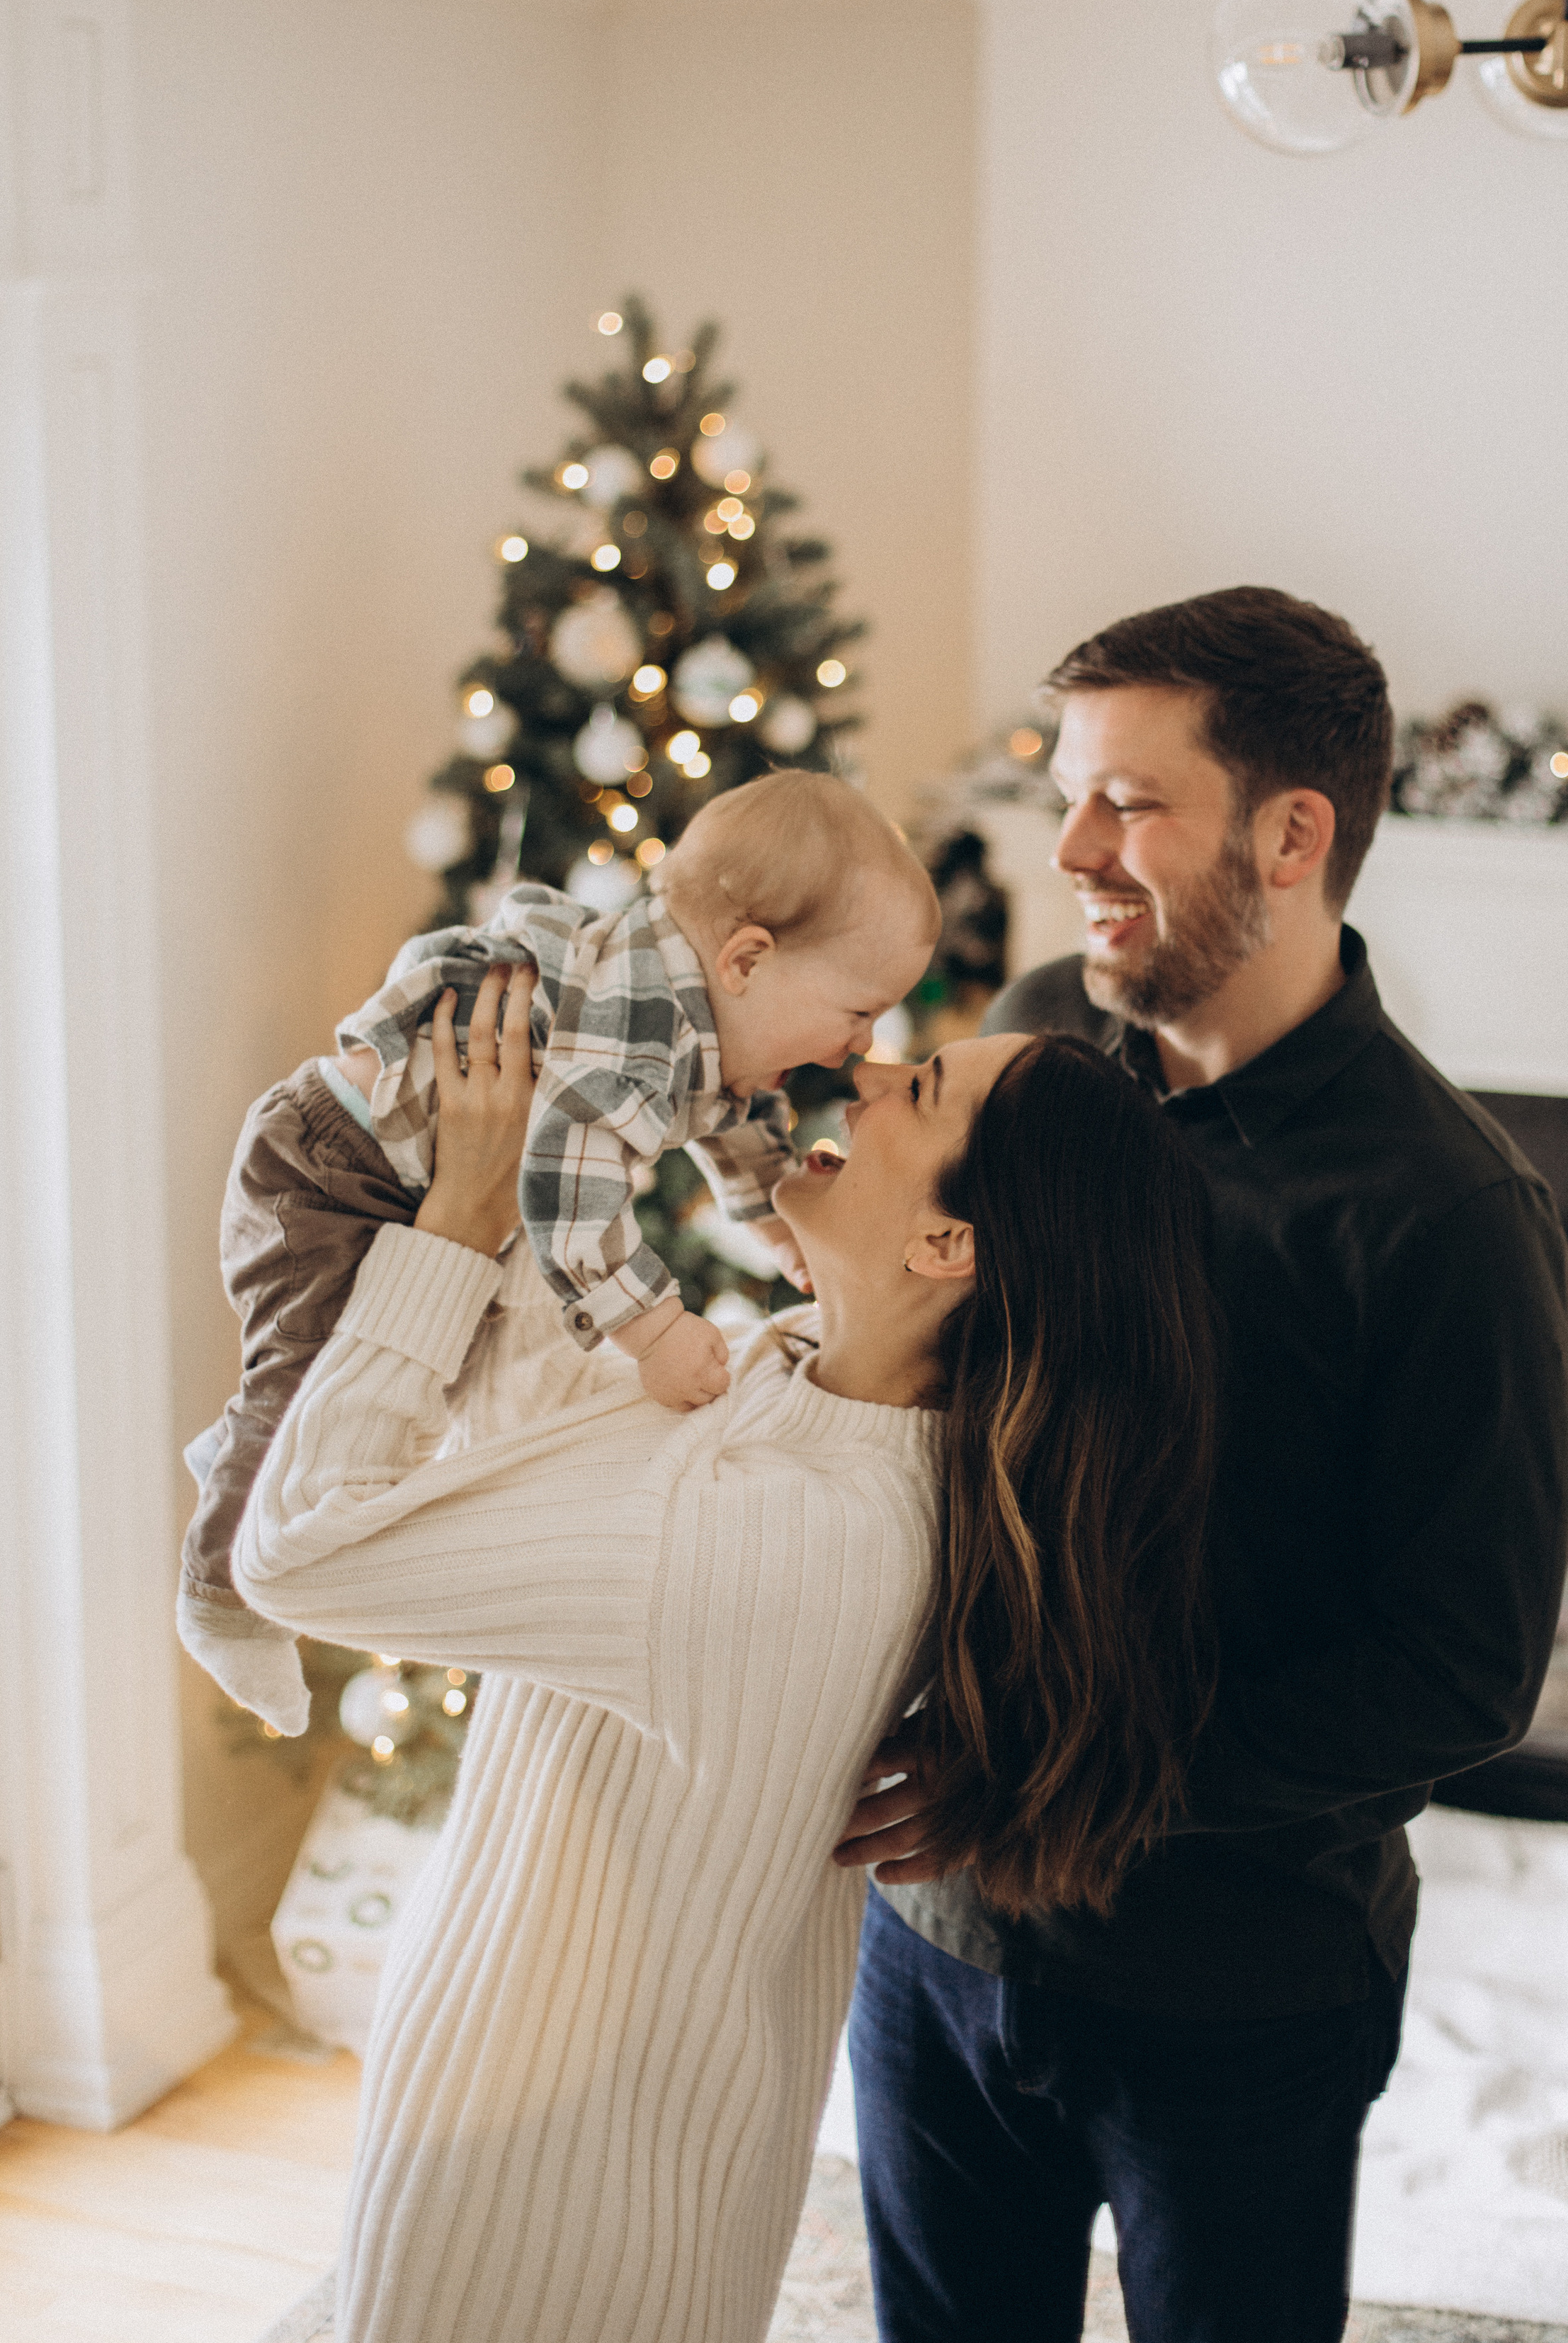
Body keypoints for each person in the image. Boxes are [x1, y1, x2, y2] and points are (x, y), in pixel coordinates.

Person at [233, 956, 1222, 2343]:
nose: (866, 1070)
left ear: (950, 1248)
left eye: (917, 1090)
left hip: (542, 2183)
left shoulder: (781, 1533)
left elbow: (294, 1551)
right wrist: (551, 1172)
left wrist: (459, 1218)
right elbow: (527, 1423)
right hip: (606, 2129)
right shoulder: (814, 1378)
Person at [834, 585, 1568, 2343]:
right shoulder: (1020, 1040)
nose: (1069, 842)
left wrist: (1052, 1783)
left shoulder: (1448, 1218)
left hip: (1237, 1993)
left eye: (1128, 801)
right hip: (934, 1945)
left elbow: (1460, 1673)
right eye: (1065, 786)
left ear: (1292, 832)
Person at [178, 768, 937, 1735]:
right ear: (746, 959)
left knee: (388, 1385)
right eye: (858, 1011)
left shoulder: (706, 1026)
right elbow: (566, 1192)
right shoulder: (642, 1037)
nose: (858, 1050)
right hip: (336, 1165)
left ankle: (236, 1449)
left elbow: (738, 1117)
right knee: (301, 1388)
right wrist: (656, 1330)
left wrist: (770, 1217)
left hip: (396, 1169)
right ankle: (216, 1594)